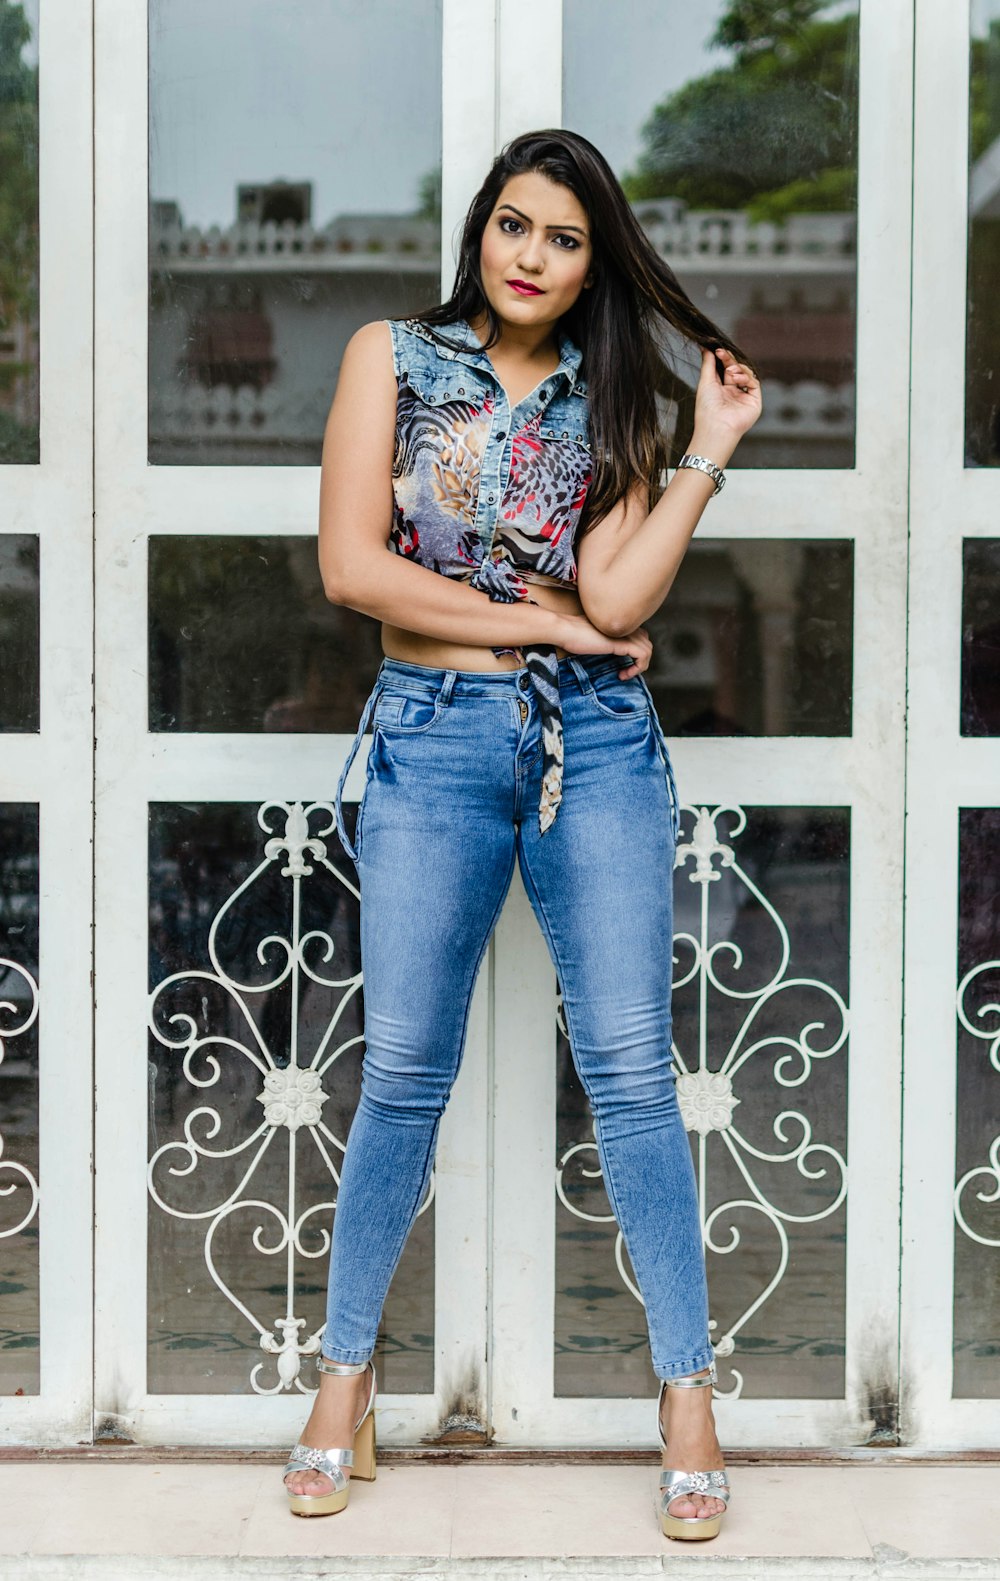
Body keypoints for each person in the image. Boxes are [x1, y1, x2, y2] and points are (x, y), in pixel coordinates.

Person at [283, 128, 762, 1540]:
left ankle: (689, 1397)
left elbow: (614, 607)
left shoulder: (613, 397)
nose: (529, 255)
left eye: (560, 236)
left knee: (627, 1066)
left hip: (595, 749)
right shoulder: (393, 357)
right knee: (406, 1070)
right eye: (511, 223)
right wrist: (531, 620)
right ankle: (345, 1381)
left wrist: (707, 454)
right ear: (480, 232)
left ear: (592, 258)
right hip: (431, 739)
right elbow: (355, 567)